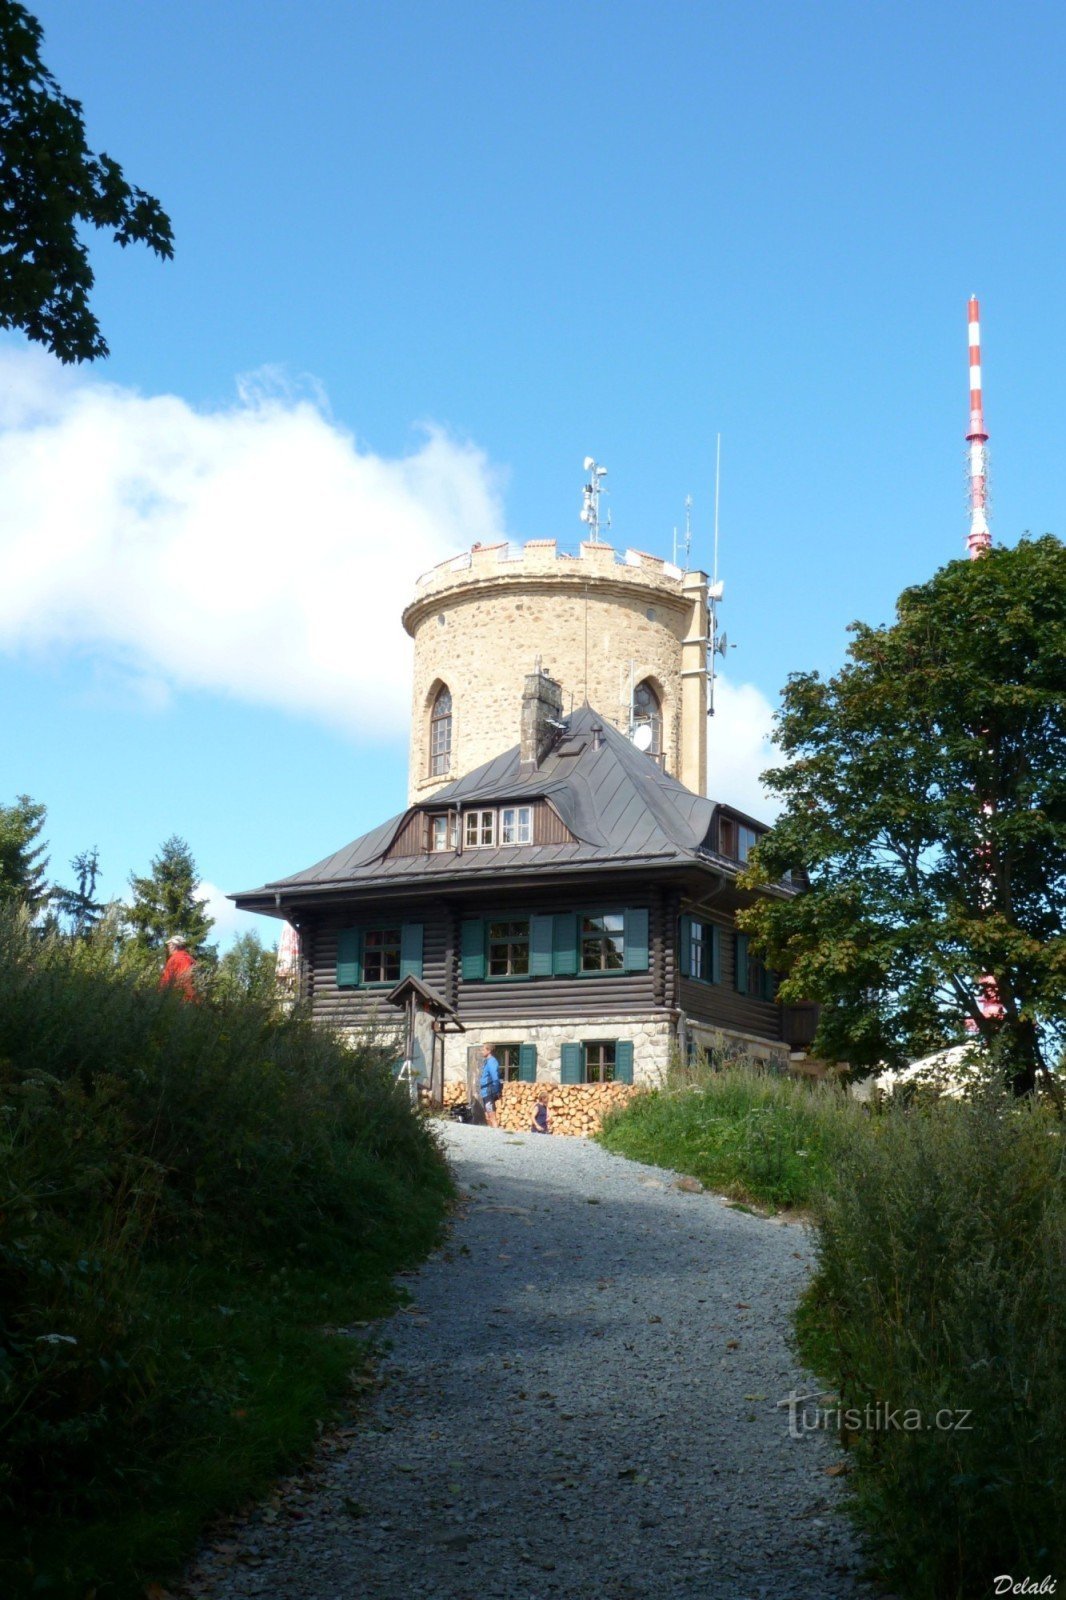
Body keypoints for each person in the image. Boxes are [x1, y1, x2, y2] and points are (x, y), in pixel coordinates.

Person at [159, 935, 197, 1001]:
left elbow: (187, 979)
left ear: (174, 946)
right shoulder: (190, 958)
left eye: (169, 945)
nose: (168, 947)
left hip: (179, 1000)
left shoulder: (177, 958)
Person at [479, 1042, 502, 1128]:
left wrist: (497, 1091)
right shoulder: (487, 1061)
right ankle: (490, 1135)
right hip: (485, 1092)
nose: (482, 1051)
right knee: (487, 1116)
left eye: (483, 1049)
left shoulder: (492, 1061)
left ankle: (495, 1137)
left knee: (492, 1117)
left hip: (489, 1091)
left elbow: (495, 1077)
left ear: (489, 1051)